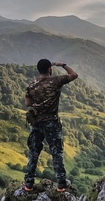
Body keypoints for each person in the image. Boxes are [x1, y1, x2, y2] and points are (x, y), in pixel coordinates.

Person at [23, 59, 78, 192]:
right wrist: (63, 65)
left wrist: (39, 104)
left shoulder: (31, 85)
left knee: (34, 152)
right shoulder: (55, 81)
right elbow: (74, 75)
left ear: (38, 70)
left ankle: (28, 184)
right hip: (51, 122)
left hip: (36, 123)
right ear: (49, 69)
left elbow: (27, 103)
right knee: (56, 152)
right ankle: (61, 183)